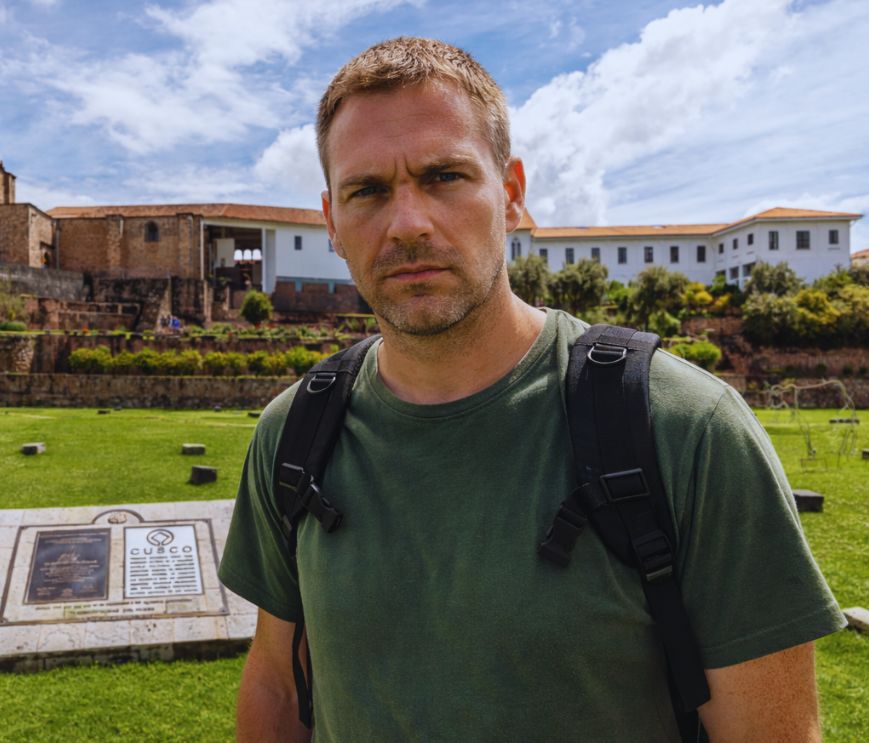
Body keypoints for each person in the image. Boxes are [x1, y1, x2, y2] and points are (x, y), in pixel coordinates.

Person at [218, 37, 845, 742]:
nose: (408, 223)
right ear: (332, 221)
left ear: (511, 193)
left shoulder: (687, 430)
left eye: (444, 176)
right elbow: (277, 683)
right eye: (367, 190)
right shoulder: (294, 434)